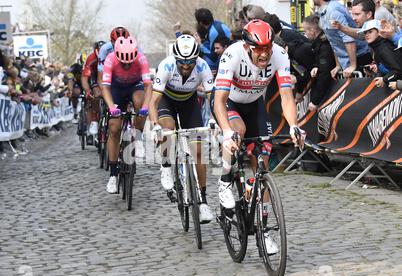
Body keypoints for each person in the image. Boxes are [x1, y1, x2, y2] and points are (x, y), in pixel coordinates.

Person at [213, 20, 306, 254]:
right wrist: (226, 132)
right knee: (238, 132)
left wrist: (294, 125)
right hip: (231, 104)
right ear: (247, 47)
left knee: (262, 166)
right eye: (259, 49)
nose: (264, 54)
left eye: (268, 47)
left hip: (255, 105)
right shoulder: (232, 54)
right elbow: (219, 101)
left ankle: (263, 232)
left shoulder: (280, 55)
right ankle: (225, 181)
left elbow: (286, 96)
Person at [148, 35, 215, 223]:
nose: (186, 66)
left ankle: (202, 202)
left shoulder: (202, 66)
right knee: (167, 128)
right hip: (166, 100)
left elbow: (213, 98)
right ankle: (166, 166)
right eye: (182, 62)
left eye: (190, 62)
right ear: (175, 58)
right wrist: (155, 127)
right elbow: (152, 102)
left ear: (197, 59)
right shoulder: (166, 66)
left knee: (199, 151)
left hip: (189, 102)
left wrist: (215, 121)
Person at [101, 36, 152, 193]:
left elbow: (148, 86)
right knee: (114, 128)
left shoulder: (142, 59)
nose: (127, 64)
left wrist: (144, 107)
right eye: (124, 63)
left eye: (130, 62)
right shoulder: (110, 59)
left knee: (139, 101)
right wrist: (111, 107)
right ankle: (113, 175)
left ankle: (137, 138)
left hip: (134, 86)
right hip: (116, 88)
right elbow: (105, 87)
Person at [315, 0, 372, 78]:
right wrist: (338, 65)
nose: (354, 17)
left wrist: (352, 66)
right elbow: (334, 41)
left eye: (357, 14)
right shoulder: (323, 11)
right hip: (347, 61)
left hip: (359, 57)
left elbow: (348, 38)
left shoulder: (333, 11)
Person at [303, 15, 337, 112]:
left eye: (306, 31)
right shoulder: (319, 43)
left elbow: (325, 74)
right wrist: (316, 66)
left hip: (329, 91)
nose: (305, 34)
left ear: (313, 30)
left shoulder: (324, 45)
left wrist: (315, 101)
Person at [359, 19, 402, 87]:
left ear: (379, 32)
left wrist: (384, 80)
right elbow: (388, 68)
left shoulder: (384, 48)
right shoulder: (377, 47)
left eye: (370, 32)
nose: (367, 35)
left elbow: (398, 70)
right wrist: (375, 71)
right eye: (365, 32)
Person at [82, 40, 105, 143]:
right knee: (96, 94)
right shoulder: (91, 58)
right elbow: (84, 78)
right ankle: (95, 121)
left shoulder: (111, 55)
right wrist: (87, 90)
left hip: (107, 76)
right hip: (94, 76)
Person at [194, 8, 232, 72]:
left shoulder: (213, 33)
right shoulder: (217, 23)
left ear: (200, 23)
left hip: (227, 57)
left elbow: (212, 56)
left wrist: (199, 43)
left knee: (204, 64)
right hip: (225, 51)